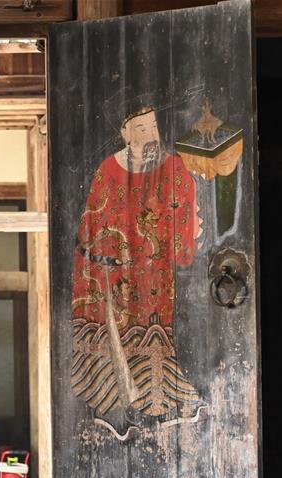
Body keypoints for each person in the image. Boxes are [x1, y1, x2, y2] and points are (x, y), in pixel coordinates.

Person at [70, 106, 204, 438]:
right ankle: (112, 408)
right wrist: (107, 248)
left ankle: (161, 406)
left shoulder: (173, 168)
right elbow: (92, 220)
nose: (151, 135)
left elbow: (184, 217)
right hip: (113, 272)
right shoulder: (108, 169)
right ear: (126, 134)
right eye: (142, 129)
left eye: (153, 127)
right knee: (113, 336)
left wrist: (182, 232)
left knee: (154, 333)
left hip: (153, 273)